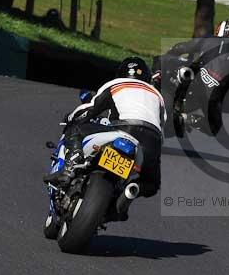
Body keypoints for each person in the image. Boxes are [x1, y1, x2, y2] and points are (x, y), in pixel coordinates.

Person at [43, 56, 166, 202]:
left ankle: (71, 164)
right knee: (152, 184)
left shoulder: (117, 84)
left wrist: (71, 117)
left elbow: (90, 109)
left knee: (75, 127)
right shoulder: (157, 95)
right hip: (151, 141)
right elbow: (161, 124)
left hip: (123, 129)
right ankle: (128, 194)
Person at [151, 19, 229, 135]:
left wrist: (171, 53)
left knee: (162, 60)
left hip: (194, 77)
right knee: (215, 128)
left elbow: (182, 47)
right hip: (209, 96)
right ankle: (187, 119)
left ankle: (154, 82)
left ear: (218, 31)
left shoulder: (208, 39)